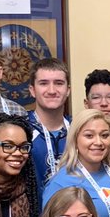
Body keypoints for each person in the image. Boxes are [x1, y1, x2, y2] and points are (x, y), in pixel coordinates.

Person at [26, 58, 72, 189]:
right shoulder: (21, 130)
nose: (52, 90)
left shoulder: (79, 129)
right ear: (32, 90)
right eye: (43, 83)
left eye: (59, 83)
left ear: (68, 90)